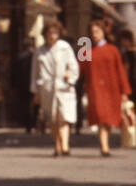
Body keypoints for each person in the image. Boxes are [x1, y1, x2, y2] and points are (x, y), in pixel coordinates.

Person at [78, 18, 131, 157]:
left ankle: (105, 143)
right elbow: (77, 68)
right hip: (95, 89)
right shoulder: (85, 49)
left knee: (108, 119)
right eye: (92, 32)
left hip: (112, 89)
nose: (94, 34)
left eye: (97, 31)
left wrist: (124, 91)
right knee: (101, 117)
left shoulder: (113, 49)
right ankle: (104, 147)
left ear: (103, 32)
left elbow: (120, 71)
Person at [33, 19, 79, 157]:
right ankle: (57, 145)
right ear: (45, 34)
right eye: (50, 33)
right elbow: (34, 72)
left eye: (55, 33)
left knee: (64, 116)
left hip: (63, 86)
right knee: (52, 118)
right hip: (47, 88)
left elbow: (74, 66)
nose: (52, 36)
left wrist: (70, 77)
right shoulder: (39, 51)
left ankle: (65, 145)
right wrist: (35, 91)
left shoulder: (65, 47)